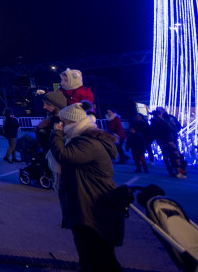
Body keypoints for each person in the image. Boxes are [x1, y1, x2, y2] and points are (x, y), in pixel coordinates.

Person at [49, 103, 126, 271]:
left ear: (72, 122)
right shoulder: (85, 139)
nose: (60, 125)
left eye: (63, 122)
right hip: (91, 204)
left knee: (98, 258)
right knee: (95, 257)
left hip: (92, 207)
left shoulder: (87, 142)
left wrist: (56, 133)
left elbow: (64, 156)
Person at [150, 107, 187, 178]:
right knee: (175, 155)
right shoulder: (165, 120)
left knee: (167, 155)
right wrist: (174, 132)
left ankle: (171, 170)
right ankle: (178, 171)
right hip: (170, 139)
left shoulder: (154, 121)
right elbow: (174, 128)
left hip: (162, 140)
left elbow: (152, 132)